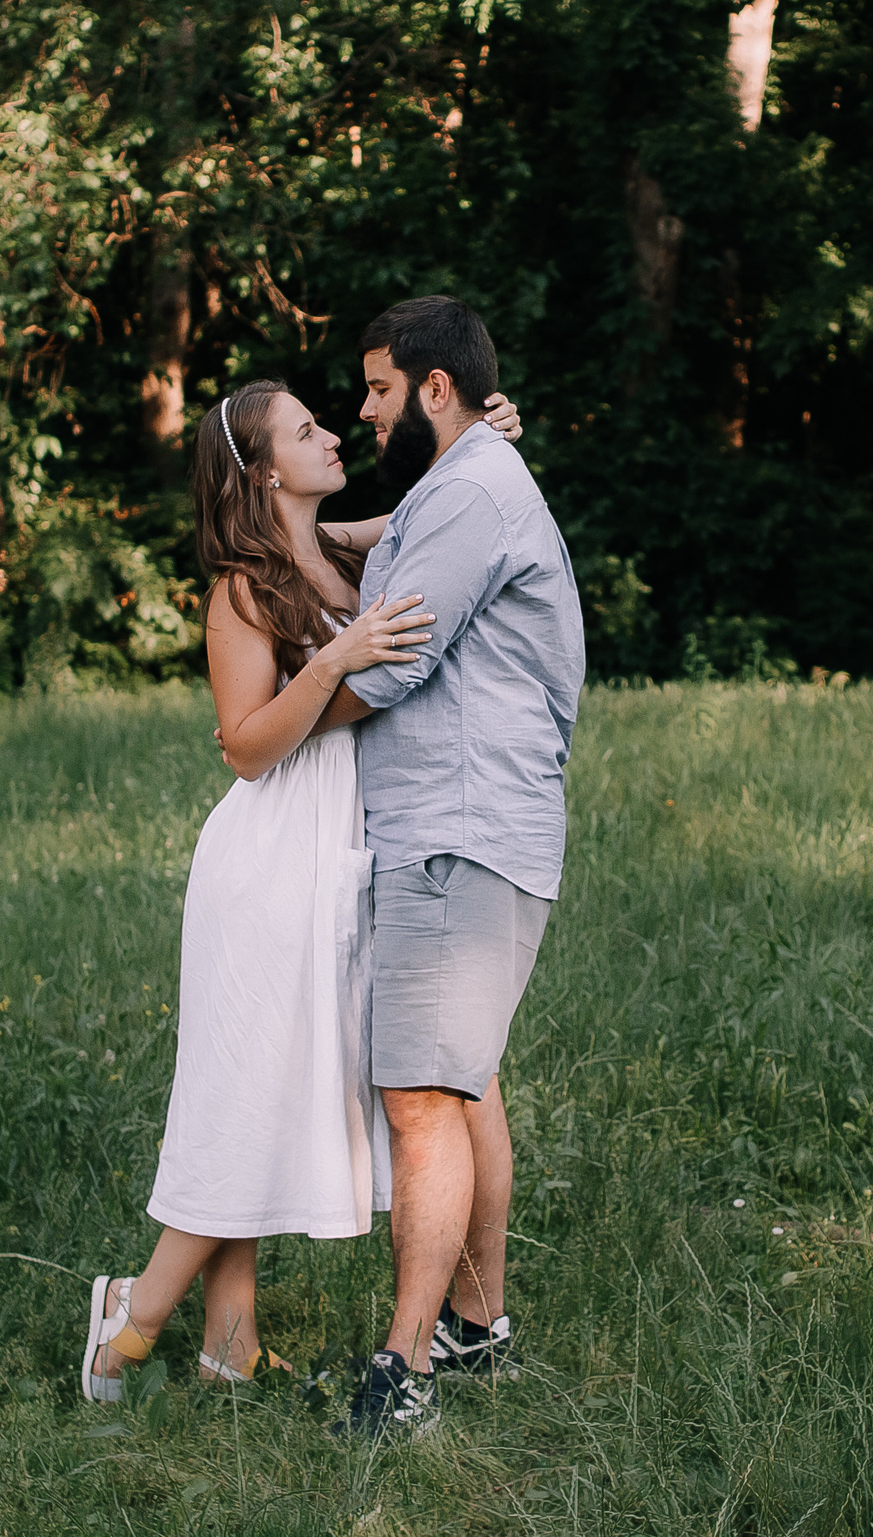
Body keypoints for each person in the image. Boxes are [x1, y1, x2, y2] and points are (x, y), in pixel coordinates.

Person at [80, 379, 523, 1399]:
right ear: (269, 469)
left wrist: (479, 441)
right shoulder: (241, 587)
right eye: (307, 430)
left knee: (264, 1090)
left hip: (336, 857)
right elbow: (243, 748)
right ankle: (133, 1314)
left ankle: (227, 1341)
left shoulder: (331, 554)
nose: (333, 434)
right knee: (243, 1095)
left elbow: (415, 515)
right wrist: (340, 660)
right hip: (270, 861)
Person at [327, 297, 587, 1440]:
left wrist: (266, 722)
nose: (366, 409)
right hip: (473, 826)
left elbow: (389, 662)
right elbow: (379, 553)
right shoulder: (459, 487)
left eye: (380, 388)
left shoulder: (471, 491)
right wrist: (283, 527)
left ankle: (404, 1375)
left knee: (422, 1100)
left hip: (458, 827)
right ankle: (474, 1334)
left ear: (435, 389)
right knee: (463, 1080)